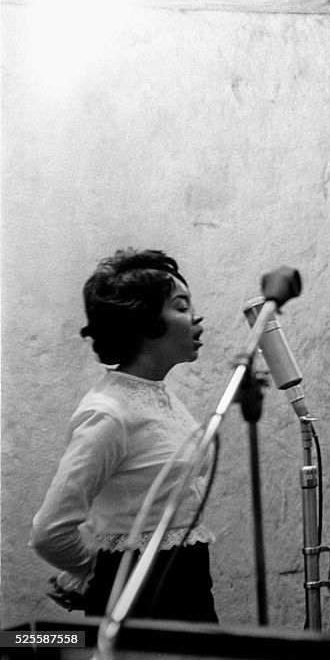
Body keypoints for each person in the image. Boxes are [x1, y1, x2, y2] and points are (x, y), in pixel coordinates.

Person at [30, 248, 218, 622]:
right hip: (141, 598)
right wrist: (92, 573)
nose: (195, 317)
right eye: (180, 307)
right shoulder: (108, 412)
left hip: (188, 581)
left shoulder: (156, 396)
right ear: (145, 323)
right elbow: (49, 530)